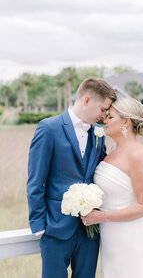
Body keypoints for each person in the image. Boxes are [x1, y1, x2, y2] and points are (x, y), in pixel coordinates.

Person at [27, 78, 116, 278]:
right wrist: (40, 227)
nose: (103, 117)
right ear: (87, 99)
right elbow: (36, 180)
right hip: (55, 229)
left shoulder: (98, 134)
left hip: (89, 232)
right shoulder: (48, 128)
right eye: (103, 109)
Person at [81, 98, 143, 278]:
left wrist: (102, 216)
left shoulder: (138, 154)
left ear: (126, 121)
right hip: (110, 238)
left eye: (111, 117)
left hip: (131, 237)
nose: (104, 120)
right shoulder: (111, 150)